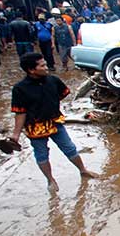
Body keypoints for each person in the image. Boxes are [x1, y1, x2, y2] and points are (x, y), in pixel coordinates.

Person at [10, 53, 97, 190]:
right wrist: (16, 134)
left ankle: (83, 170)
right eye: (42, 65)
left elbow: (62, 94)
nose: (46, 67)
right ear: (31, 70)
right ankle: (50, 180)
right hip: (35, 127)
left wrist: (47, 106)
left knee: (69, 148)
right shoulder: (20, 89)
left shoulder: (53, 81)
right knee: (42, 154)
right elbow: (20, 113)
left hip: (55, 121)